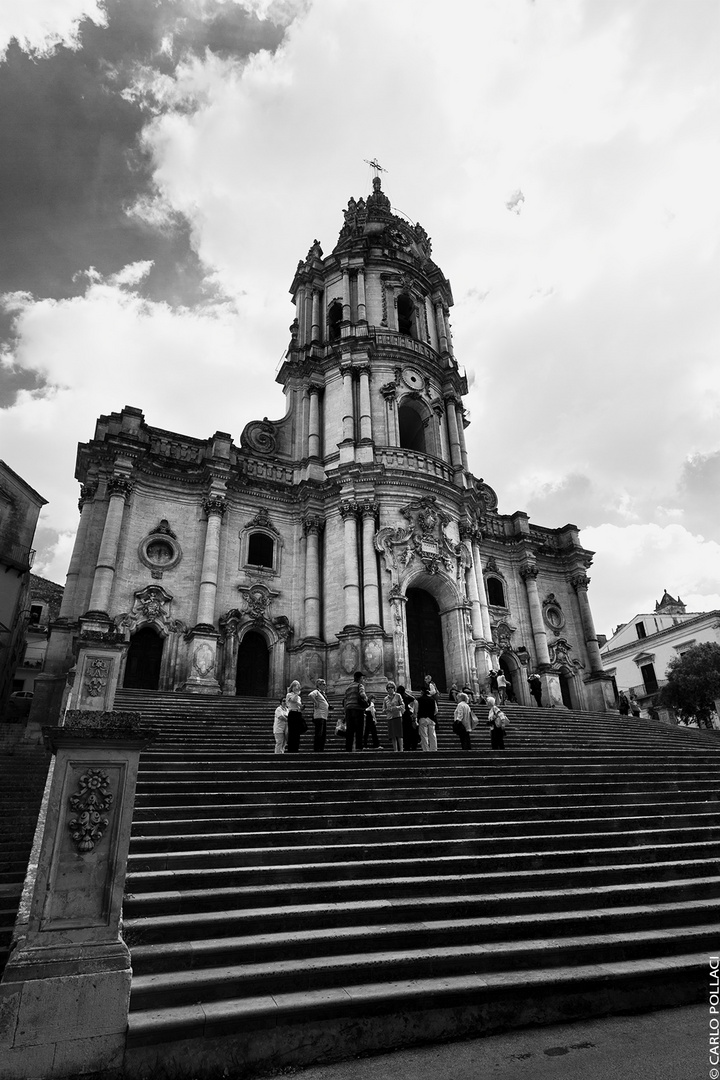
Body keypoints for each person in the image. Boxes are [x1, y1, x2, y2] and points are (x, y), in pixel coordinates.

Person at [342, 670, 368, 752]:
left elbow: (345, 699)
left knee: (350, 730)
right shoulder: (360, 685)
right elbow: (362, 694)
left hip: (349, 710)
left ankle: (348, 748)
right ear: (360, 678)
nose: (362, 679)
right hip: (357, 709)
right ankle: (358, 747)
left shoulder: (348, 687)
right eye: (362, 678)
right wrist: (367, 700)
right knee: (359, 729)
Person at [417, 674, 439, 752]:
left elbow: (416, 709)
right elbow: (436, 710)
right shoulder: (432, 700)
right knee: (432, 735)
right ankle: (434, 749)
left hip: (423, 718)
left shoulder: (419, 700)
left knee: (424, 735)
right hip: (431, 718)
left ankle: (426, 749)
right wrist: (432, 715)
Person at [308, 678, 330, 751]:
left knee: (323, 734)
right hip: (319, 716)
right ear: (319, 685)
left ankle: (321, 748)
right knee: (319, 733)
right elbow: (310, 695)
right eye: (323, 684)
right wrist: (316, 703)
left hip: (324, 716)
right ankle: (317, 749)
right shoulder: (316, 691)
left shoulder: (323, 693)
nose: (325, 686)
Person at [383, 682, 405, 752]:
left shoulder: (398, 696)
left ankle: (401, 749)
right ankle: (395, 750)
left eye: (392, 687)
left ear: (394, 688)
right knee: (392, 735)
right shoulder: (385, 698)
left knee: (399, 733)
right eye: (389, 688)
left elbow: (402, 705)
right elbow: (383, 709)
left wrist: (396, 707)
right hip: (390, 717)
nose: (390, 689)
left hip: (397, 716)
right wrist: (387, 710)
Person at [398, 684, 420, 750]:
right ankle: (412, 745)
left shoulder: (398, 698)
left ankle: (406, 745)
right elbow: (413, 699)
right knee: (409, 731)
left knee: (404, 732)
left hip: (401, 715)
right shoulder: (406, 697)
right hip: (407, 715)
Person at [285, 680, 304, 753]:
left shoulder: (298, 697)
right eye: (295, 686)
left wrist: (302, 707)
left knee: (297, 733)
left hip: (298, 713)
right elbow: (293, 700)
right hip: (292, 714)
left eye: (298, 686)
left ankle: (296, 749)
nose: (297, 687)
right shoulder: (289, 695)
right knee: (292, 732)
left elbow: (299, 705)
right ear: (292, 687)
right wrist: (296, 694)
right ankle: (291, 750)